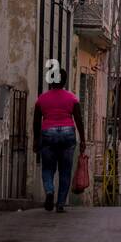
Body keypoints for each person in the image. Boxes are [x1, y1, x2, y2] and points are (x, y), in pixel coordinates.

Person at [33, 67, 86, 213]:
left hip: (48, 133)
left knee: (48, 168)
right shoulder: (72, 98)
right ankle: (61, 203)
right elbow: (79, 120)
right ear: (64, 81)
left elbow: (36, 121)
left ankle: (49, 192)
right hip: (68, 133)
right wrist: (83, 139)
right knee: (65, 170)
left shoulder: (42, 99)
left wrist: (36, 140)